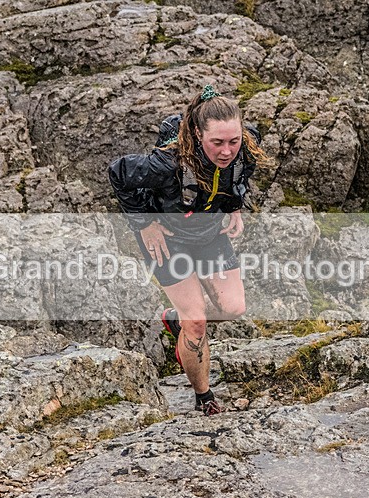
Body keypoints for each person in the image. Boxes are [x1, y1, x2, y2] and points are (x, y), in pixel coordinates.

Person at [108, 84, 268, 416]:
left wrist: (235, 206)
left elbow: (241, 175)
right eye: (218, 143)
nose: (227, 151)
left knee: (234, 307)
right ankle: (204, 397)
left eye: (233, 141)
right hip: (169, 239)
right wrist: (144, 224)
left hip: (209, 232)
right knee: (197, 321)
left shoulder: (246, 146)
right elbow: (118, 173)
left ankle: (174, 320)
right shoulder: (167, 163)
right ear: (197, 133)